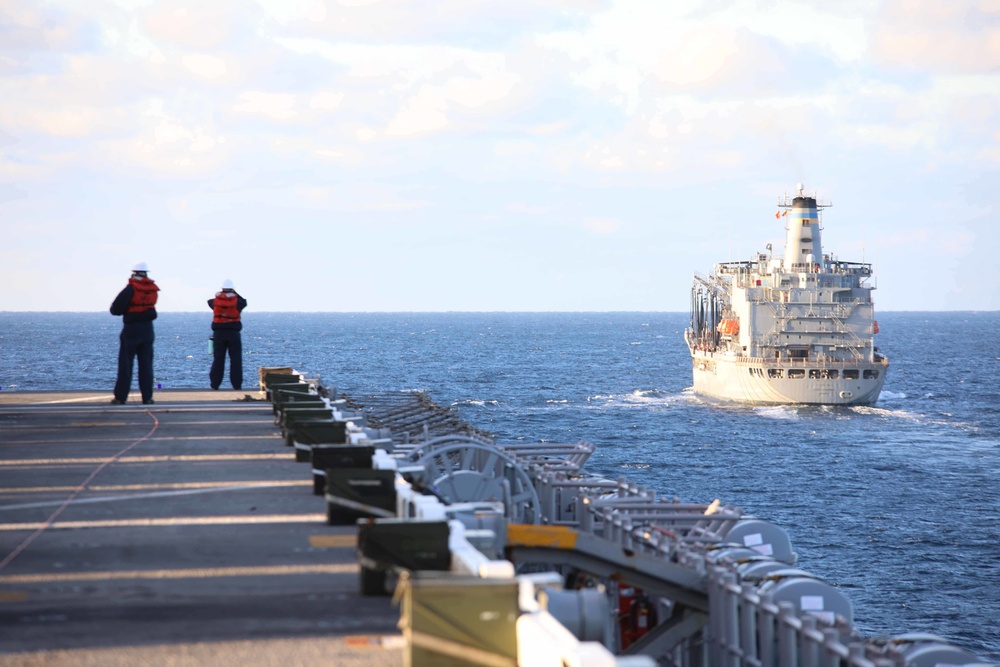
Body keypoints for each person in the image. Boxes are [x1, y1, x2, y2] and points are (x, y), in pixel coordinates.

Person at [110, 261, 159, 405]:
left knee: (126, 364)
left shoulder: (130, 289)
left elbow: (115, 309)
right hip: (148, 330)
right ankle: (147, 397)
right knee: (146, 365)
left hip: (131, 329)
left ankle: (121, 397)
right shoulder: (152, 289)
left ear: (133, 273)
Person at [208, 279, 247, 390]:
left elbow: (210, 302)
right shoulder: (238, 302)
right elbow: (244, 301)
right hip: (233, 334)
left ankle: (215, 384)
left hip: (218, 334)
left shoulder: (214, 302)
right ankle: (236, 384)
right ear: (232, 289)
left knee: (218, 359)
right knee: (235, 360)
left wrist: (221, 295)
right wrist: (234, 293)